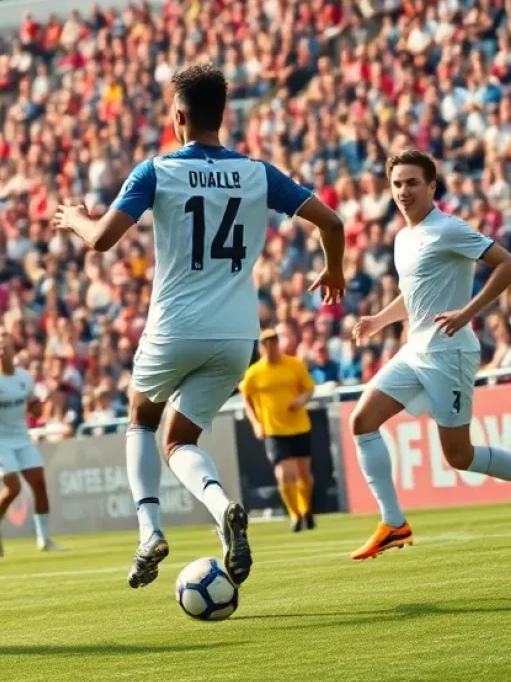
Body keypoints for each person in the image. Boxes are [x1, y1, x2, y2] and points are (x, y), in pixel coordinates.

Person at [54, 62, 346, 591]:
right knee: (181, 438)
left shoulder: (155, 171)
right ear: (223, 115)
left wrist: (74, 216)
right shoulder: (258, 172)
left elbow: (100, 240)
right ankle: (220, 506)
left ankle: (149, 532)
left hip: (175, 326)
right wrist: (334, 269)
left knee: (142, 419)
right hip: (237, 337)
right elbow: (332, 221)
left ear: (178, 117)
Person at [349, 149, 511, 560]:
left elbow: (509, 265)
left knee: (459, 456)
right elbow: (416, 294)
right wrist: (379, 321)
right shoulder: (403, 238)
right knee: (362, 421)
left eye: (413, 182)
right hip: (416, 350)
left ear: (431, 186)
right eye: (397, 183)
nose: (404, 191)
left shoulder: (448, 229)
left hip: (449, 353)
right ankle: (393, 523)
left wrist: (468, 311)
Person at [0, 329, 61, 555]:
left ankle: (44, 539)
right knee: (14, 487)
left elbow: (33, 407)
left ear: (13, 350)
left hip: (22, 437)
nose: (2, 351)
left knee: (39, 484)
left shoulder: (25, 378)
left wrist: (40, 405)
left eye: (5, 347)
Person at [240, 329, 317, 532]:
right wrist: (256, 423)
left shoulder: (294, 364)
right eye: (266, 341)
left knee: (305, 475)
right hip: (274, 429)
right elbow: (246, 398)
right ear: (260, 346)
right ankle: (295, 514)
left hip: (299, 425)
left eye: (274, 340)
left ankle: (306, 509)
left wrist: (300, 400)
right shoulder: (254, 373)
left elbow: (309, 388)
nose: (270, 344)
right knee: (284, 474)